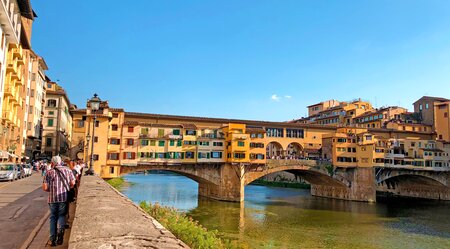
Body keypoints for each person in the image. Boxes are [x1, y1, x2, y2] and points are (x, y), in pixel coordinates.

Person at [42, 156, 75, 246]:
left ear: (52, 163)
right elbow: (73, 183)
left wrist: (51, 189)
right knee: (61, 216)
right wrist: (67, 188)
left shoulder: (49, 172)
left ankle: (52, 239)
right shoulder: (68, 170)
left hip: (52, 199)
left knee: (53, 218)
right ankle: (60, 234)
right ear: (61, 162)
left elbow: (45, 187)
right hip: (63, 198)